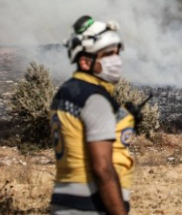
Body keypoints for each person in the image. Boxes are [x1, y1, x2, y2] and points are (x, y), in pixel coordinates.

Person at [49, 15, 135, 215]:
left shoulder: (67, 92)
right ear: (86, 62)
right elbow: (103, 168)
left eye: (116, 53)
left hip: (65, 203)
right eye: (107, 55)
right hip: (91, 206)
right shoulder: (95, 100)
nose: (115, 60)